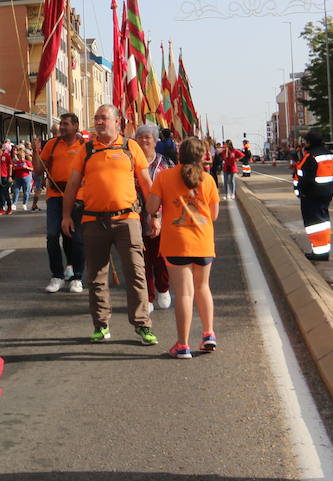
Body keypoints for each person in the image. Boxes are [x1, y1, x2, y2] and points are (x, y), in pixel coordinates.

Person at [61, 105, 156, 345]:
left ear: (117, 122)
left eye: (104, 118)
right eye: (96, 118)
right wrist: (66, 216)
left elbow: (146, 184)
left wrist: (155, 215)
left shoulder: (130, 146)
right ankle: (101, 325)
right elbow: (72, 186)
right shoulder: (87, 149)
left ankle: (142, 325)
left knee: (136, 273)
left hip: (127, 219)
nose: (99, 122)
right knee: (96, 276)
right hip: (93, 221)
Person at [145, 136, 220, 358]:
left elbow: (151, 207)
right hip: (203, 242)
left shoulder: (164, 177)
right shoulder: (208, 180)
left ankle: (182, 345)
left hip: (176, 243)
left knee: (185, 294)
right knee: (203, 288)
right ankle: (208, 334)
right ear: (202, 156)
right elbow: (214, 215)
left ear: (179, 155)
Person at [37, 114, 86, 294]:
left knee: (76, 237)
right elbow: (38, 169)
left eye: (66, 124)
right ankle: (57, 275)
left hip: (78, 196)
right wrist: (37, 152)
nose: (62, 128)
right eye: (61, 124)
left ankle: (77, 277)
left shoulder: (84, 145)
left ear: (75, 126)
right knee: (52, 235)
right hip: (55, 195)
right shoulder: (52, 144)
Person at [133, 124, 174, 310]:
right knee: (141, 260)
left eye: (147, 137)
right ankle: (148, 296)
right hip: (135, 218)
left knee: (160, 257)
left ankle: (163, 288)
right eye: (140, 137)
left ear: (156, 140)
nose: (143, 141)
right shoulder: (129, 163)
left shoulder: (165, 164)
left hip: (161, 218)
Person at [295, 130, 333, 262]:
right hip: (326, 192)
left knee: (314, 225)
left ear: (310, 142)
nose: (304, 143)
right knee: (323, 222)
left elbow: (306, 178)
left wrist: (300, 191)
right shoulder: (328, 154)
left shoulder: (310, 156)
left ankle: (319, 253)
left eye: (305, 141)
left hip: (312, 195)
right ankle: (323, 251)